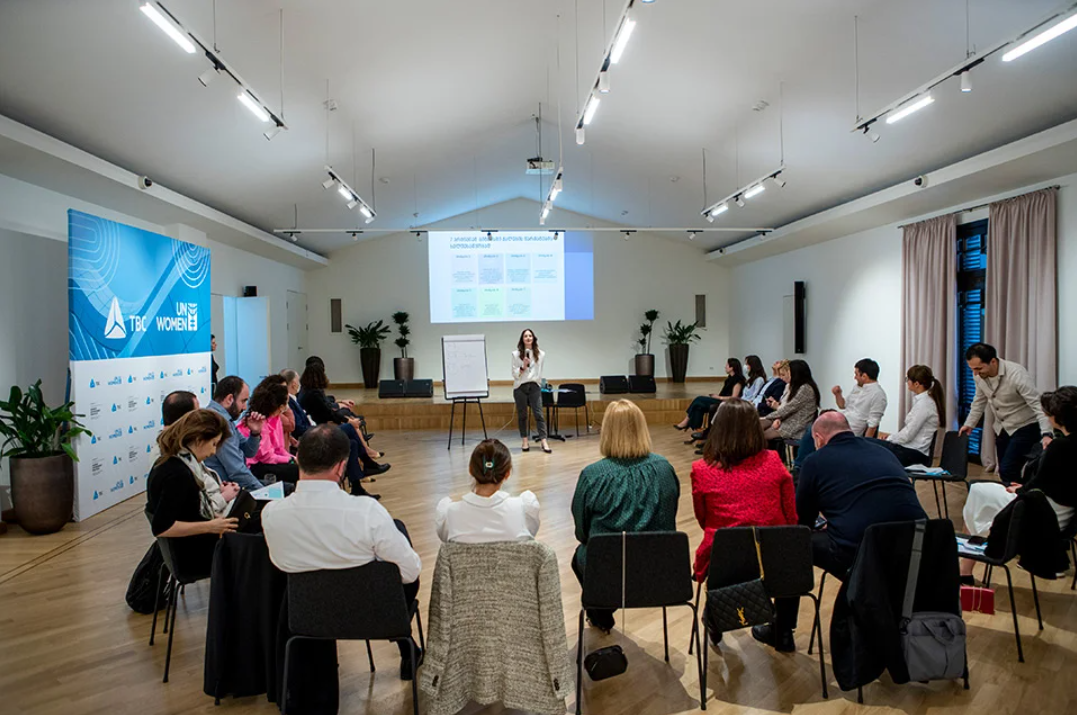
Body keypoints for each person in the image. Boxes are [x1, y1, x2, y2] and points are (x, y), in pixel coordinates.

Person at [752, 411, 928, 653]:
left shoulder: (816, 461)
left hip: (864, 553)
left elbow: (801, 522)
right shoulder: (882, 451)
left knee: (790, 544)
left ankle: (781, 631)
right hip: (918, 548)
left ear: (818, 439)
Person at [261, 425, 423, 680]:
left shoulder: (271, 515)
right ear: (340, 467)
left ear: (299, 460)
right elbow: (410, 572)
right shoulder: (366, 512)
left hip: (306, 618)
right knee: (397, 539)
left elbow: (281, 564)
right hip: (371, 615)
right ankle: (404, 643)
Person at [571, 400, 680, 632]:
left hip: (608, 570)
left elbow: (582, 533)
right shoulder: (664, 469)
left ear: (607, 432)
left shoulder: (593, 476)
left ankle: (600, 613)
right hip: (659, 570)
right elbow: (669, 519)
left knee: (580, 556)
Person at [960, 386, 1077, 581]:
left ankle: (965, 571)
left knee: (978, 491)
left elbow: (1042, 482)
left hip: (1043, 512)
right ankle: (966, 569)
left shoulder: (1060, 447)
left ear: (1058, 417)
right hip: (1060, 511)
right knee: (981, 494)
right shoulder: (1066, 445)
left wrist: (1021, 489)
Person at [691, 400, 797, 585]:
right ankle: (784, 614)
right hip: (771, 552)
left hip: (723, 555)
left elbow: (703, 518)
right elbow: (790, 515)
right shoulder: (773, 461)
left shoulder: (701, 469)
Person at [145, 409, 240, 571]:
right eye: (213, 444)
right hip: (191, 555)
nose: (213, 452)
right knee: (256, 549)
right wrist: (210, 526)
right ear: (199, 440)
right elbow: (162, 528)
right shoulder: (178, 474)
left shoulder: (175, 463)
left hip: (192, 546)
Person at [960, 343, 1053, 485]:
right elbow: (979, 401)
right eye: (972, 369)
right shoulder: (979, 376)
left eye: (979, 368)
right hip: (1002, 428)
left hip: (1025, 426)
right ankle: (1016, 501)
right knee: (1005, 472)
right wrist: (969, 424)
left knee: (1008, 469)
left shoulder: (1016, 373)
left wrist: (1047, 433)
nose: (975, 373)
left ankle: (1023, 500)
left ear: (992, 361)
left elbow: (1037, 404)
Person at [435, 439, 540, 543]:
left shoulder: (450, 514)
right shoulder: (523, 510)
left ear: (470, 470)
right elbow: (530, 536)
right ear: (507, 473)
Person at [868, 365, 944, 467]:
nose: (907, 382)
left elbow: (907, 435)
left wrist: (890, 438)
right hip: (909, 449)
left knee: (869, 445)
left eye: (907, 379)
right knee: (869, 444)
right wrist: (891, 438)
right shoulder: (922, 402)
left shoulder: (925, 405)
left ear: (916, 384)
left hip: (915, 454)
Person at [204, 376, 267, 491]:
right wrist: (263, 493)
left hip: (232, 484)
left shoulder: (226, 419)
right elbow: (236, 471)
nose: (244, 407)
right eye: (243, 401)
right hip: (225, 489)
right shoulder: (217, 422)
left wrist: (255, 433)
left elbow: (248, 452)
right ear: (229, 399)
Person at [236, 377, 299, 486]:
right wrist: (291, 461)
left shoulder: (276, 418)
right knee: (296, 472)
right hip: (256, 465)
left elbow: (280, 449)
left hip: (270, 460)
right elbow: (266, 457)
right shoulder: (259, 420)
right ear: (280, 406)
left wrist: (294, 459)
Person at [674, 358, 747, 433]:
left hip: (726, 402)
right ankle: (697, 429)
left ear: (732, 368)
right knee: (698, 406)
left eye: (727, 365)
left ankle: (686, 421)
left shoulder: (738, 380)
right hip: (720, 399)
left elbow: (734, 397)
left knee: (699, 399)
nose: (725, 367)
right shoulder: (729, 379)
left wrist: (719, 397)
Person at [511, 328, 551, 454]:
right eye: (525, 336)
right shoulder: (515, 354)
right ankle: (525, 441)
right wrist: (523, 366)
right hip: (520, 387)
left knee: (539, 414)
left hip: (534, 386)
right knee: (522, 415)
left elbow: (539, 372)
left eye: (530, 336)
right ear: (522, 339)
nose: (528, 338)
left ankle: (544, 441)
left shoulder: (541, 354)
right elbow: (514, 374)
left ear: (533, 338)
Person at [760, 359, 819, 441]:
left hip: (794, 427)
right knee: (757, 426)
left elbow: (788, 409)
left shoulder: (806, 389)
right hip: (786, 421)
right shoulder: (795, 387)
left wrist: (766, 417)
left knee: (760, 436)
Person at [832, 358, 887, 438]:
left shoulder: (878, 395)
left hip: (850, 432)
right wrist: (838, 394)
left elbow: (873, 425)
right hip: (840, 424)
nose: (855, 377)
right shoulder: (858, 387)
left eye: (856, 374)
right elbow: (842, 405)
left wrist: (864, 445)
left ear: (864, 376)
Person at [282, 368, 313, 440]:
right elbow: (298, 427)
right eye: (298, 381)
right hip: (304, 437)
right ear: (294, 384)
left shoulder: (293, 398)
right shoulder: (288, 401)